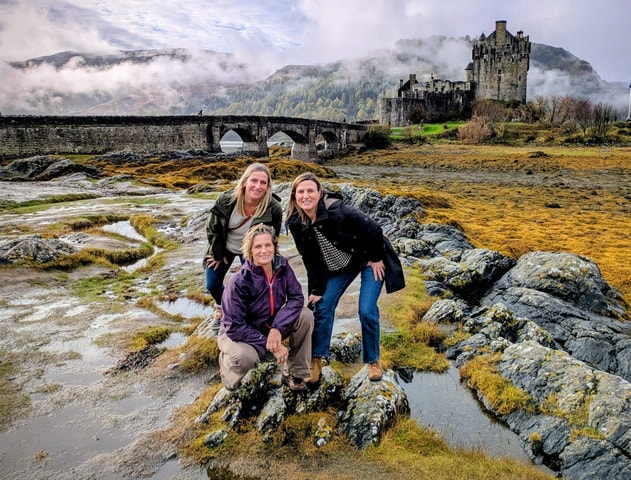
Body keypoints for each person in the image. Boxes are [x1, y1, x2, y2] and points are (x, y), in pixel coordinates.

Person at [286, 172, 403, 383]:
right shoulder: (296, 223)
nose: (306, 196)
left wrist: (376, 257)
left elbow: (374, 229)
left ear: (319, 193)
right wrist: (316, 289)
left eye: (310, 191)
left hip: (367, 259)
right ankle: (316, 360)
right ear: (295, 196)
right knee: (322, 305)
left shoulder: (338, 210)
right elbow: (310, 259)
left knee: (367, 310)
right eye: (301, 192)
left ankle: (373, 361)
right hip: (341, 266)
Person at [217, 224, 313, 391]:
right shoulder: (239, 281)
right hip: (237, 333)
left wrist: (277, 328)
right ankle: (228, 373)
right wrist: (271, 345)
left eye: (268, 245)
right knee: (245, 357)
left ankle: (295, 373)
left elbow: (296, 298)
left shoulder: (283, 266)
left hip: (270, 326)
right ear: (250, 250)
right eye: (258, 247)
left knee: (305, 316)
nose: (264, 251)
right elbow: (234, 326)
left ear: (274, 247)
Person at [204, 163, 282, 336]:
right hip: (224, 246)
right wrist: (217, 254)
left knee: (253, 286)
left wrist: (256, 263)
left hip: (251, 251)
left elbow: (273, 238)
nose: (258, 186)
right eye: (254, 180)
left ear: (268, 186)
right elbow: (212, 228)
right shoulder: (226, 200)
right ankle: (221, 306)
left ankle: (246, 316)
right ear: (245, 181)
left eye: (263, 182)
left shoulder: (273, 207)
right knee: (212, 284)